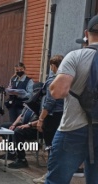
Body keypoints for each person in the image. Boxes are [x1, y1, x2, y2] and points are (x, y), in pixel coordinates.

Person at [46, 15, 98, 184]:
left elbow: (58, 92)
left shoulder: (75, 56)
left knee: (57, 181)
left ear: (86, 33)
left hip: (74, 129)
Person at [31, 55, 64, 182]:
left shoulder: (53, 80)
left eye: (51, 66)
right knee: (58, 146)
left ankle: (49, 174)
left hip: (52, 116)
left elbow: (50, 102)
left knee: (51, 146)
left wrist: (40, 119)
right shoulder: (68, 78)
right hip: (62, 115)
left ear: (53, 66)